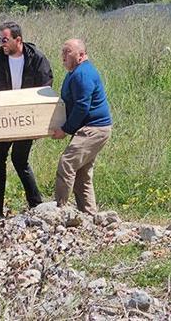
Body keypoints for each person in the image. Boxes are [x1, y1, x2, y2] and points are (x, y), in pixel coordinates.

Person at [0, 21, 52, 219]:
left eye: (4, 40)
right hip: (6, 115)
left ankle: (36, 203)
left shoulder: (37, 58)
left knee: (19, 159)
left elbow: (45, 87)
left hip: (27, 115)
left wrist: (39, 120)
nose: (1, 44)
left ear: (18, 39)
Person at [51, 38, 112, 215]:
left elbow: (82, 106)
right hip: (92, 128)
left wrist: (66, 129)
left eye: (67, 51)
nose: (63, 55)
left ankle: (58, 211)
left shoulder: (82, 74)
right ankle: (89, 215)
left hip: (94, 129)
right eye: (62, 51)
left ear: (81, 55)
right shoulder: (76, 72)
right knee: (82, 173)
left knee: (67, 163)